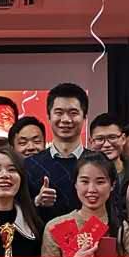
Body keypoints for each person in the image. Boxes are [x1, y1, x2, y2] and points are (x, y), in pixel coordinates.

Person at [25, 83, 89, 219]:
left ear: (84, 117)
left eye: (73, 113)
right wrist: (37, 202)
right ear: (49, 116)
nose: (66, 120)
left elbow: (113, 210)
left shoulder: (99, 163)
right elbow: (17, 212)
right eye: (59, 113)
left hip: (91, 233)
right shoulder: (29, 165)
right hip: (43, 233)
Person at [87, 114, 129, 185]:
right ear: (91, 142)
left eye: (112, 137)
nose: (107, 145)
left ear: (123, 139)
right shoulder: (81, 172)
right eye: (100, 139)